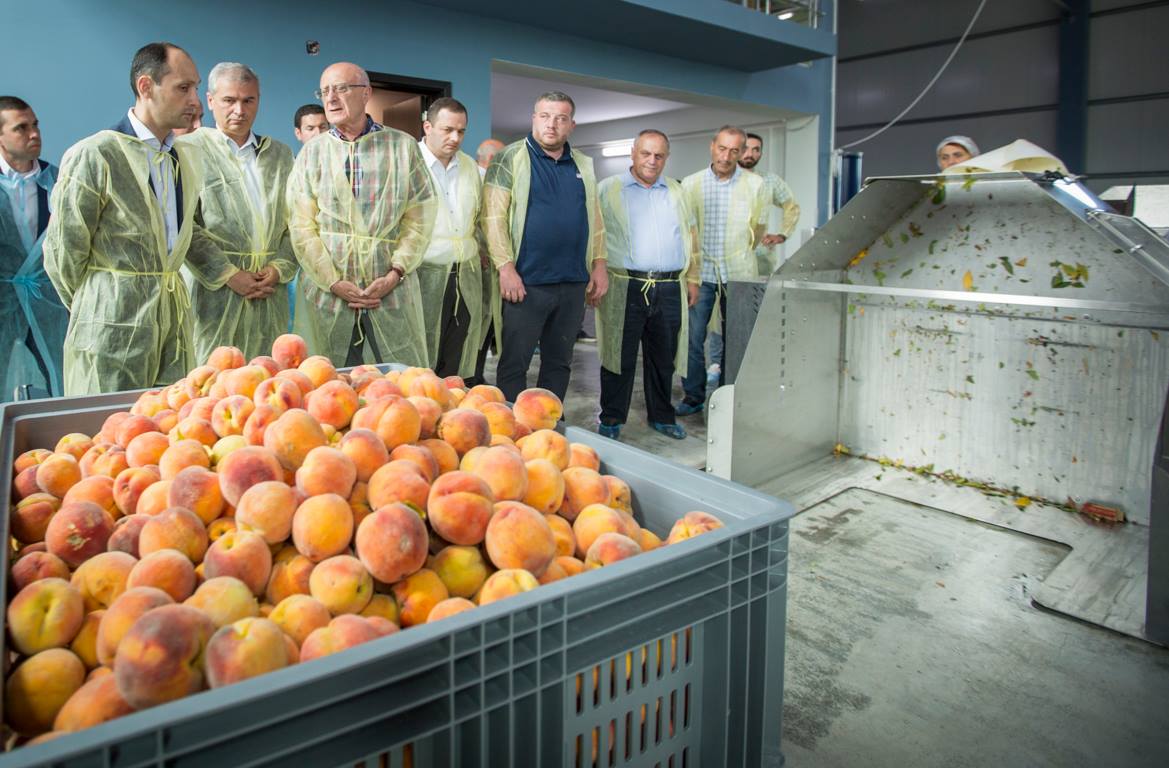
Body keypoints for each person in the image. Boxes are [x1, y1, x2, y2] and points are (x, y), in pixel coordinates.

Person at [44, 42, 205, 395]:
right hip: (108, 332)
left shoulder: (182, 159)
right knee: (108, 424)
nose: (196, 101)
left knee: (168, 424)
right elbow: (63, 253)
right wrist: (102, 307)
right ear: (146, 86)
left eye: (196, 88)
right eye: (183, 88)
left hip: (171, 326)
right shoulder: (96, 154)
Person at [287, 61, 436, 368]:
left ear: (366, 93)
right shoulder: (312, 153)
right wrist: (332, 281)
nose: (330, 98)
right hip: (329, 297)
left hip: (390, 293)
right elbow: (301, 226)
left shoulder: (401, 147)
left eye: (341, 88)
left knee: (396, 383)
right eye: (325, 91)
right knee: (330, 382)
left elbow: (419, 217)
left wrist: (395, 273)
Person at [480, 90, 607, 403]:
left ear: (571, 125)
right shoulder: (510, 158)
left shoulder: (583, 164)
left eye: (561, 118)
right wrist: (505, 268)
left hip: (573, 282)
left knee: (560, 363)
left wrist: (599, 264)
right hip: (526, 283)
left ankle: (549, 422)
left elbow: (595, 217)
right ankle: (511, 425)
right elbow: (493, 218)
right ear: (534, 118)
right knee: (515, 363)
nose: (552, 124)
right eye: (545, 116)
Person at [179, 62, 297, 363]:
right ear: (210, 100)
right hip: (213, 295)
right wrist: (228, 274)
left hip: (269, 292)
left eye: (248, 100)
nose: (239, 111)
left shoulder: (280, 155)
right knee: (212, 376)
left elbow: (296, 221)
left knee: (267, 376)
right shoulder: (186, 150)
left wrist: (278, 268)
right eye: (229, 100)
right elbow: (184, 225)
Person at [595, 130, 698, 441]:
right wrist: (594, 274)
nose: (652, 161)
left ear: (666, 158)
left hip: (669, 287)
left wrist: (693, 278)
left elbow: (691, 237)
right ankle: (611, 418)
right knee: (618, 356)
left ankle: (662, 416)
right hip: (624, 285)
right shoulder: (608, 189)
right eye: (646, 154)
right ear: (633, 153)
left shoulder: (678, 191)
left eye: (659, 155)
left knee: (663, 358)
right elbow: (594, 237)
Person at [675, 125, 765, 417]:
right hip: (699, 275)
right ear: (712, 146)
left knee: (737, 338)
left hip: (739, 274)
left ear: (741, 152)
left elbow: (758, 229)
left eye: (734, 151)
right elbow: (684, 230)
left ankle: (730, 397)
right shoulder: (691, 184)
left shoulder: (756, 185)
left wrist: (740, 253)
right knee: (692, 337)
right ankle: (693, 396)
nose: (726, 157)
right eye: (722, 148)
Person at [0, 96, 67, 400]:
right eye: (21, 128)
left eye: (35, 125)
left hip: (49, 302)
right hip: (2, 302)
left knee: (63, 379)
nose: (34, 134)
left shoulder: (59, 181)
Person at [414, 97, 486, 379]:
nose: (455, 138)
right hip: (420, 276)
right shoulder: (409, 164)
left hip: (464, 277)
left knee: (455, 356)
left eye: (461, 131)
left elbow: (481, 220)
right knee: (419, 361)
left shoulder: (471, 169)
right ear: (427, 127)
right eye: (447, 130)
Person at [739, 132, 800, 275]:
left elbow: (791, 207)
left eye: (756, 149)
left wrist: (782, 234)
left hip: (760, 256)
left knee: (760, 288)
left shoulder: (770, 181)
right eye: (746, 148)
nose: (750, 154)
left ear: (760, 153)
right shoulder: (723, 181)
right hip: (729, 255)